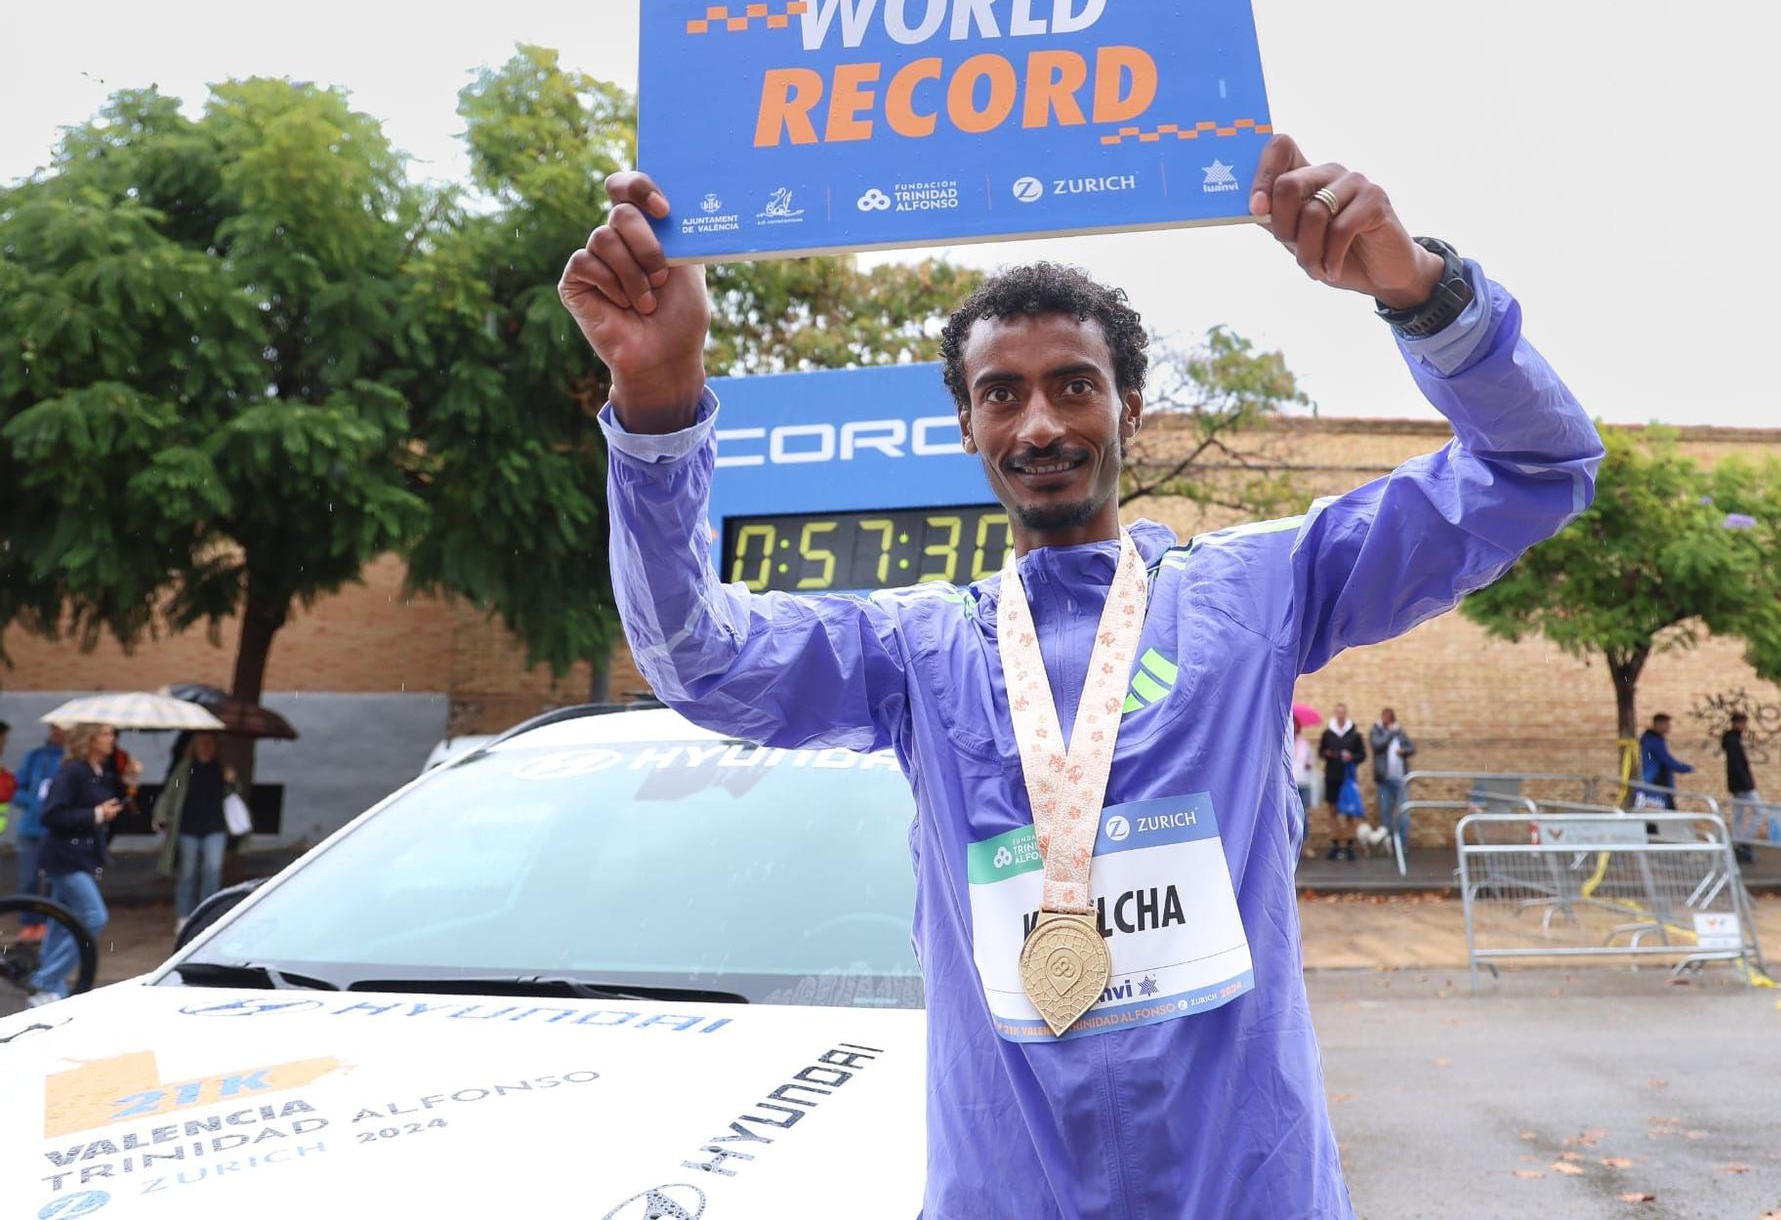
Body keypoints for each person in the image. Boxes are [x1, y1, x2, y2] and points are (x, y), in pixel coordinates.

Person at [557, 132, 1600, 1217]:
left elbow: (1536, 468)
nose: (1041, 422)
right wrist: (658, 396)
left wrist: (1419, 294)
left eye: (1073, 386)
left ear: (1129, 407)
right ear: (965, 426)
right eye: (1001, 395)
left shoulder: (1260, 593)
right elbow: (696, 657)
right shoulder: (916, 652)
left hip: (1247, 1194)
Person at [24, 721, 121, 1007]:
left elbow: (100, 813)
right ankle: (44, 980)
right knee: (94, 917)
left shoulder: (98, 772)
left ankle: (48, 986)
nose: (111, 739)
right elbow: (51, 816)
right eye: (105, 734)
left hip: (81, 856)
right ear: (90, 739)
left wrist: (124, 787)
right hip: (64, 857)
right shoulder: (73, 771)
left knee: (60, 921)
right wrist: (95, 814)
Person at [154, 730, 239, 933]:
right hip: (188, 827)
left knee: (212, 870)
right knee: (188, 873)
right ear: (194, 746)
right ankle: (184, 916)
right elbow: (170, 794)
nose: (205, 748)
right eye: (201, 744)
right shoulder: (184, 768)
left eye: (209, 744)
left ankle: (207, 914)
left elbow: (233, 797)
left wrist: (231, 781)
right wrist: (161, 815)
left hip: (215, 827)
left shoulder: (221, 769)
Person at [9, 724, 66, 941]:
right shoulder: (35, 756)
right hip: (31, 827)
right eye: (53, 729)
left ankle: (48, 922)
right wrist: (33, 803)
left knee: (53, 880)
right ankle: (29, 921)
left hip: (55, 829)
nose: (55, 733)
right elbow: (18, 788)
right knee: (28, 880)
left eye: (59, 729)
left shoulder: (69, 760)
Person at [1319, 703, 1366, 860]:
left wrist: (1352, 757)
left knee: (1350, 813)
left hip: (1347, 778)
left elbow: (1362, 755)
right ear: (1335, 713)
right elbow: (1321, 752)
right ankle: (1335, 844)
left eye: (1342, 712)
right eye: (1337, 712)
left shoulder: (1354, 735)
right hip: (1332, 777)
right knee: (1332, 812)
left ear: (1345, 714)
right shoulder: (1328, 733)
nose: (1340, 715)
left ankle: (1349, 845)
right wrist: (1328, 753)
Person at [1720, 711, 1767, 861]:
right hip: (1743, 784)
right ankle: (1744, 841)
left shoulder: (1732, 740)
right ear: (1736, 723)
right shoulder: (1733, 741)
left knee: (1738, 814)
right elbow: (1737, 765)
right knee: (1759, 811)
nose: (1744, 726)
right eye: (1742, 723)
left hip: (1738, 783)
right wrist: (1747, 783)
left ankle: (1737, 842)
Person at [1369, 708, 1416, 845]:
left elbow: (1411, 748)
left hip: (1401, 778)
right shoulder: (1376, 731)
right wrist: (1390, 733)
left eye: (1388, 717)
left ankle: (1401, 843)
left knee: (1403, 812)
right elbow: (1377, 745)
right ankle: (1387, 842)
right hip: (1384, 779)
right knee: (1385, 813)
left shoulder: (1400, 732)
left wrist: (1404, 750)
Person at [1637, 712, 1693, 810]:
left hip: (1656, 780)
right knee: (1665, 811)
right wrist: (1687, 768)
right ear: (1657, 724)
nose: (1668, 726)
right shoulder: (1653, 741)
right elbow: (1667, 760)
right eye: (1665, 724)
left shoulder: (1652, 739)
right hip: (1656, 781)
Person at [1291, 712, 1318, 858]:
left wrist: (1309, 764)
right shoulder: (1284, 740)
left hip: (1304, 783)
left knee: (1304, 815)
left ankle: (1305, 845)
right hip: (1289, 785)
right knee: (1290, 815)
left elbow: (1312, 760)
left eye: (1296, 724)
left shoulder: (1304, 743)